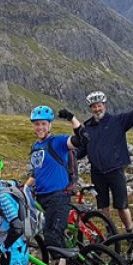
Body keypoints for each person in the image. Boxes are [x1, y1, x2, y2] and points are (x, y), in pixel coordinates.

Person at [76, 88, 133, 230]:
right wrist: (69, 157)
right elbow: (82, 149)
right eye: (94, 106)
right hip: (97, 172)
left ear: (104, 105)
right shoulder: (87, 127)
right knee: (102, 206)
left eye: (99, 105)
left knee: (121, 205)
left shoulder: (118, 121)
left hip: (115, 170)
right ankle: (110, 231)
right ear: (90, 109)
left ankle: (129, 229)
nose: (97, 109)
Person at [26, 106, 87, 251]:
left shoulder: (58, 142)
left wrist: (71, 118)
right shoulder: (36, 146)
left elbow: (82, 139)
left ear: (49, 125)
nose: (40, 127)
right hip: (41, 197)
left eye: (43, 123)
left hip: (58, 196)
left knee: (53, 237)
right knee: (49, 234)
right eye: (37, 124)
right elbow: (37, 173)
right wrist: (24, 188)